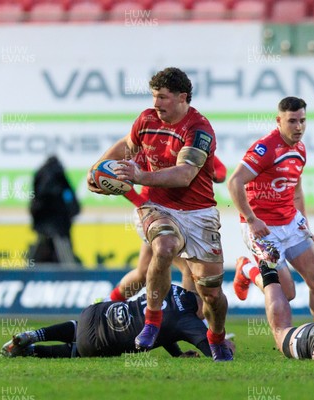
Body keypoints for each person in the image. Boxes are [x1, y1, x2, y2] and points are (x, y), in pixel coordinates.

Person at [87, 67, 232, 361]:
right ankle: (152, 321)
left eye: (163, 97)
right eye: (154, 96)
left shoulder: (199, 129)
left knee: (212, 293)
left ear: (182, 98)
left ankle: (215, 336)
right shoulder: (147, 119)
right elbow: (126, 146)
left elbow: (184, 175)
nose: (157, 103)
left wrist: (138, 177)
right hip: (157, 206)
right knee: (164, 246)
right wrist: (97, 169)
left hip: (198, 214)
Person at [227, 96, 314, 321]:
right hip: (263, 228)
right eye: (292, 121)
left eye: (302, 121)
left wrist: (303, 221)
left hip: (291, 223)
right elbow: (234, 181)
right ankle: (247, 270)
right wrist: (251, 219)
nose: (299, 127)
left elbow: (296, 188)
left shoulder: (300, 148)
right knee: (287, 293)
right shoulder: (265, 148)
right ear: (279, 120)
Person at [108, 155, 227, 302]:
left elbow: (221, 170)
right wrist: (139, 202)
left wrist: (214, 174)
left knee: (144, 273)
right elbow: (119, 175)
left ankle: (107, 303)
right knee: (189, 269)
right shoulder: (151, 143)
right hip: (156, 214)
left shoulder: (192, 146)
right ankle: (191, 320)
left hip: (181, 216)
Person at [0, 284, 232, 359]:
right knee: (79, 349)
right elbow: (218, 354)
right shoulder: (189, 322)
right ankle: (30, 351)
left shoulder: (173, 288)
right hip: (99, 340)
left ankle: (34, 334)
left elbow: (163, 326)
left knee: (78, 327)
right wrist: (226, 348)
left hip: (95, 312)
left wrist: (177, 354)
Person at [29, 155, 80, 265]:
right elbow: (71, 200)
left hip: (45, 224)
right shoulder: (59, 178)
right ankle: (72, 277)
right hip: (59, 225)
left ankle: (27, 276)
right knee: (66, 259)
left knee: (43, 250)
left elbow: (34, 201)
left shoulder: (41, 176)